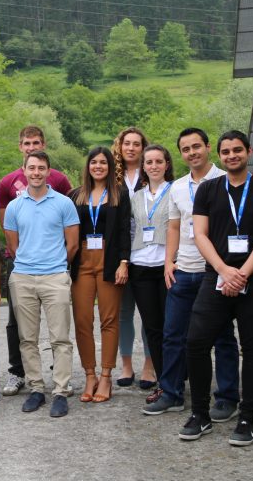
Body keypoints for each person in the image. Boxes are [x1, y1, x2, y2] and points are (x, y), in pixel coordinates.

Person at [179, 130, 253, 446]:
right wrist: (225, 271)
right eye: (226, 152)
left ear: (248, 152)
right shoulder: (209, 190)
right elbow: (200, 235)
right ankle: (200, 415)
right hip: (217, 276)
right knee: (196, 343)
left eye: (237, 150)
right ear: (220, 155)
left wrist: (241, 275)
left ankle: (247, 419)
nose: (231, 156)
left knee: (252, 348)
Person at [143, 128, 240, 418]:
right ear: (181, 155)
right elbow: (174, 226)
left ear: (208, 147)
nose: (192, 152)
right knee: (173, 334)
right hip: (183, 270)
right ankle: (172, 393)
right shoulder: (178, 187)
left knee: (222, 336)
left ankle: (226, 398)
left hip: (214, 272)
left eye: (196, 146)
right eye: (186, 149)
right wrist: (168, 262)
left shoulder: (225, 180)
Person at [0, 125, 72, 396]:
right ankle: (29, 382)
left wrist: (57, 261)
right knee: (22, 333)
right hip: (22, 270)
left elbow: (71, 241)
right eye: (27, 143)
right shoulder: (8, 187)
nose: (31, 147)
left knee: (59, 335)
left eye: (36, 143)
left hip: (54, 271)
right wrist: (28, 258)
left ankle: (62, 387)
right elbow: (12, 236)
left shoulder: (62, 188)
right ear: (21, 149)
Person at [68, 147, 130, 404]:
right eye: (94, 162)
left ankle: (106, 376)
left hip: (109, 260)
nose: (98, 166)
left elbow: (127, 229)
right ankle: (89, 375)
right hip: (82, 261)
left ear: (110, 166)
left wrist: (124, 262)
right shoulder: (75, 195)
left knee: (109, 320)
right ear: (88, 166)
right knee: (82, 321)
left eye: (103, 162)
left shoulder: (120, 195)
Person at [128, 145, 175, 404]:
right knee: (153, 328)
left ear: (167, 164)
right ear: (143, 166)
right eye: (149, 162)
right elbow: (131, 229)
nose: (154, 165)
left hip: (168, 266)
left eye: (159, 161)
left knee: (172, 327)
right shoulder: (136, 197)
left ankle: (178, 376)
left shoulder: (177, 190)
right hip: (141, 267)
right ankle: (164, 382)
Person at [112, 126, 156, 389]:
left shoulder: (151, 173)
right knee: (123, 313)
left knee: (150, 314)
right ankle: (126, 365)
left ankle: (149, 366)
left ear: (143, 148)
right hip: (119, 252)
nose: (131, 148)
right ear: (119, 146)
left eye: (136, 144)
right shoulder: (112, 178)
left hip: (147, 251)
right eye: (126, 143)